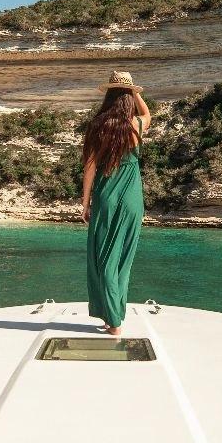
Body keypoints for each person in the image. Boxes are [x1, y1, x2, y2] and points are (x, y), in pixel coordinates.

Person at [81, 70, 151, 335]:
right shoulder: (136, 124)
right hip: (133, 197)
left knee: (104, 259)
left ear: (108, 96)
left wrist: (85, 202)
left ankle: (114, 322)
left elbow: (89, 167)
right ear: (129, 98)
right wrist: (135, 93)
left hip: (106, 193)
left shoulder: (98, 125)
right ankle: (114, 315)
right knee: (123, 259)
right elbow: (148, 115)